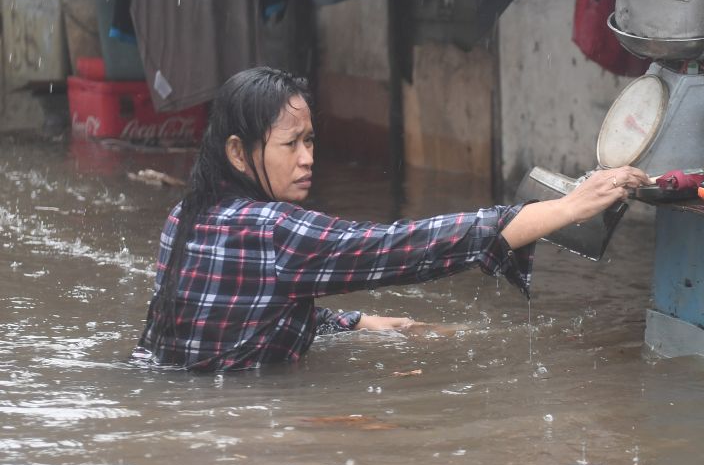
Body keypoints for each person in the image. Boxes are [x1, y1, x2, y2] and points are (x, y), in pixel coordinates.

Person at [133, 67, 650, 372]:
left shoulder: (186, 216)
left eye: (310, 140)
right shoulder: (275, 230)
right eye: (291, 144)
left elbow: (242, 316)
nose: (308, 157)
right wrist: (566, 208)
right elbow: (406, 247)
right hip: (237, 421)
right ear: (238, 154)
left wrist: (357, 323)